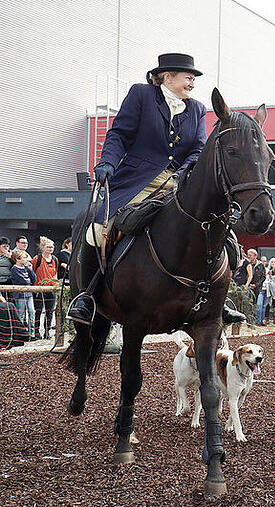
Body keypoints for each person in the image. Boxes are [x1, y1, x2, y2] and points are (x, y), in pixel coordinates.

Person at [66, 53, 244, 326]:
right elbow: (120, 134)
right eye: (189, 77)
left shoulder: (196, 109)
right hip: (137, 181)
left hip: (177, 183)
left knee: (219, 235)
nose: (193, 83)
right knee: (96, 232)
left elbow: (197, 148)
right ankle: (87, 297)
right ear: (167, 76)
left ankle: (219, 302)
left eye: (194, 79)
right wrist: (107, 162)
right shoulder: (141, 95)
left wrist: (185, 171)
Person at [31, 236, 59, 340]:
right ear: (43, 248)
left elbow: (55, 273)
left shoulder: (55, 259)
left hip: (51, 289)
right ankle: (37, 332)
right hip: (38, 289)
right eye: (48, 247)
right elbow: (32, 272)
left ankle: (47, 332)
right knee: (38, 311)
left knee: (49, 311)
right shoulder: (37, 259)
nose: (50, 249)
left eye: (52, 247)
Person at [9, 249, 37, 340]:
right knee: (20, 314)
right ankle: (20, 334)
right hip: (19, 294)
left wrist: (31, 270)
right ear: (18, 259)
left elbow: (34, 279)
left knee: (32, 312)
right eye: (24, 258)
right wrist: (28, 280)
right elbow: (22, 280)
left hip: (29, 294)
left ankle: (31, 333)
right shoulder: (14, 269)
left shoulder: (26, 268)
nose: (26, 259)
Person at [256, 257, 275, 325]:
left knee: (265, 305)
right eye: (262, 261)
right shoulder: (264, 269)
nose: (273, 263)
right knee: (259, 305)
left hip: (270, 290)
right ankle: (258, 321)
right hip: (261, 289)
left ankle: (262, 321)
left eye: (265, 261)